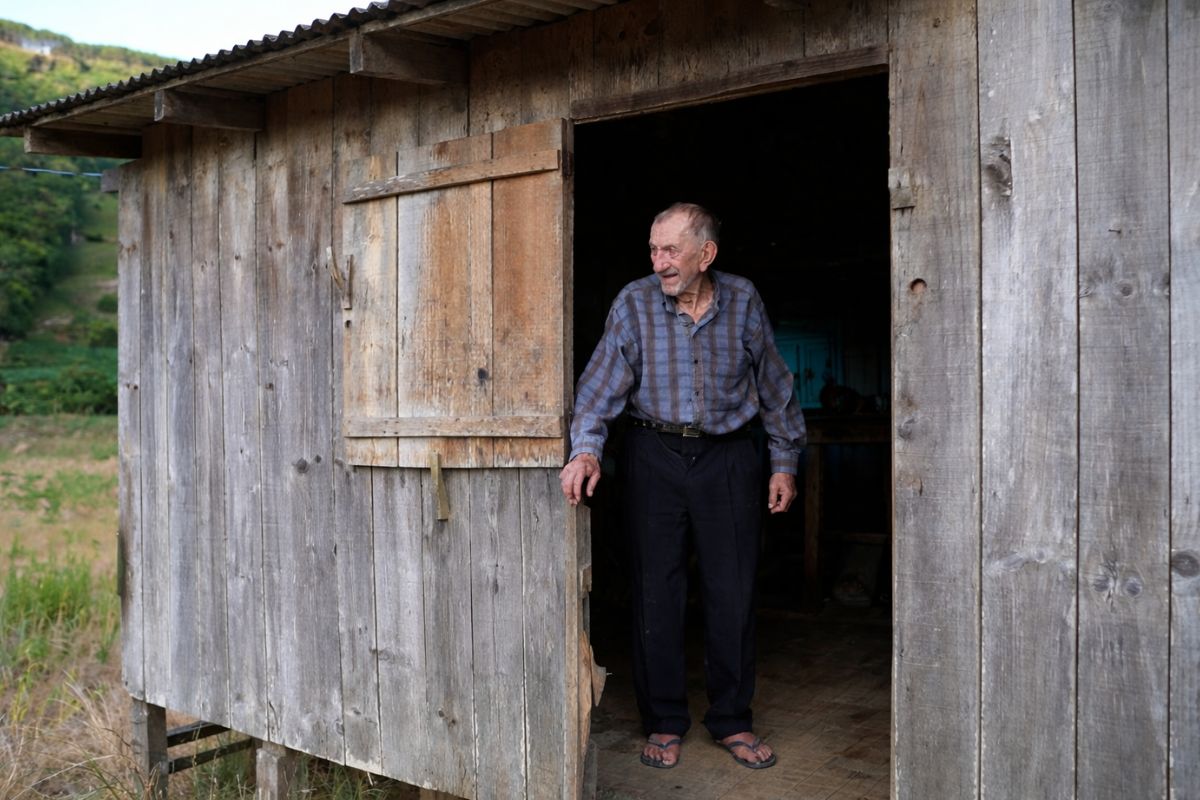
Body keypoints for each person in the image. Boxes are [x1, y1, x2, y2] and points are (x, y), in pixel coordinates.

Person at [560, 202, 806, 771]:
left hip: (728, 457)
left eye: (670, 250)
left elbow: (775, 384)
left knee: (733, 589)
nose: (659, 262)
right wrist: (587, 449)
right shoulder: (634, 303)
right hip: (655, 455)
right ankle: (665, 720)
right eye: (653, 250)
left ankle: (732, 718)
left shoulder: (742, 300)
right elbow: (598, 389)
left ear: (706, 253)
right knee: (656, 590)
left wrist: (784, 461)